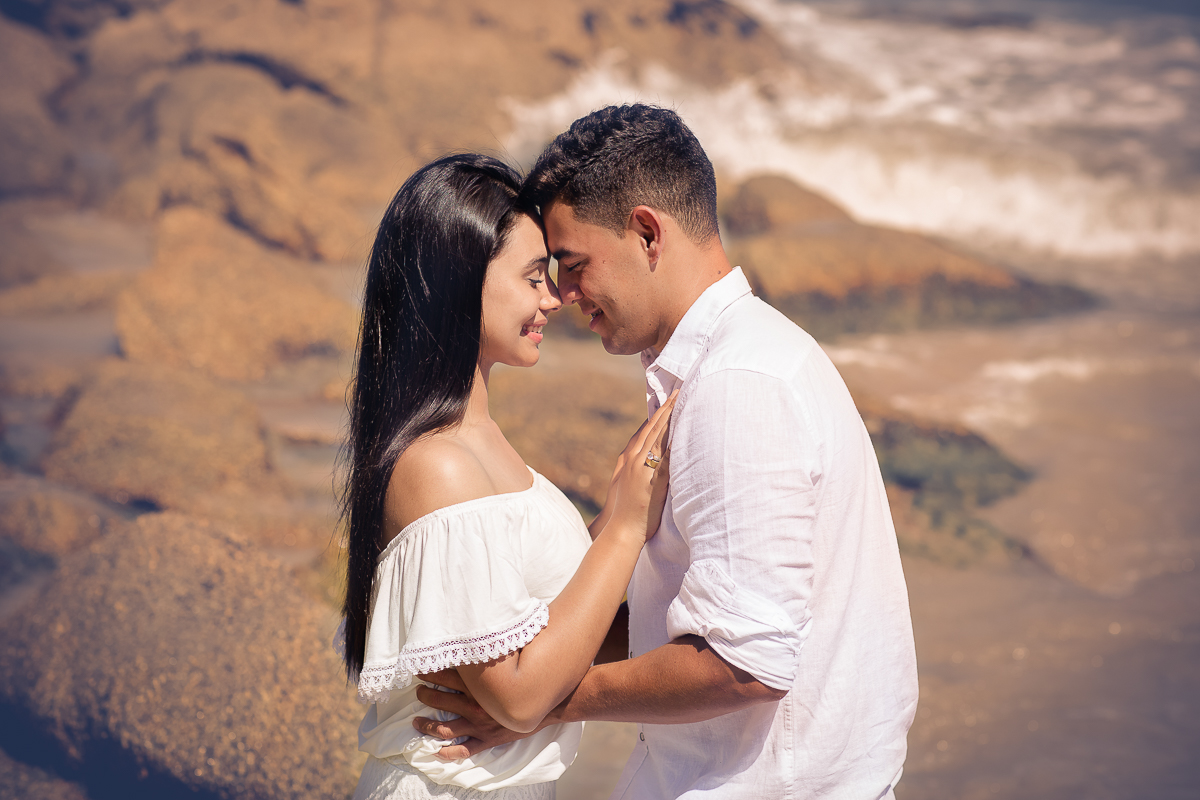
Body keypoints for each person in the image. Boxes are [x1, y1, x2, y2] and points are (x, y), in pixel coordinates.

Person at [413, 106, 920, 798]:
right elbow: (682, 618)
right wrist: (525, 682)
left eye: (574, 264)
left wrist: (543, 702)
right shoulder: (734, 363)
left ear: (648, 232)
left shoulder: (739, 386)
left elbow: (745, 664)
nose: (563, 295)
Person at [338, 153, 676, 800]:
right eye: (532, 277)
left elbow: (548, 633)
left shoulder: (478, 442)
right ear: (461, 286)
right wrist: (624, 526)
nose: (554, 297)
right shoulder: (435, 464)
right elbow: (519, 698)